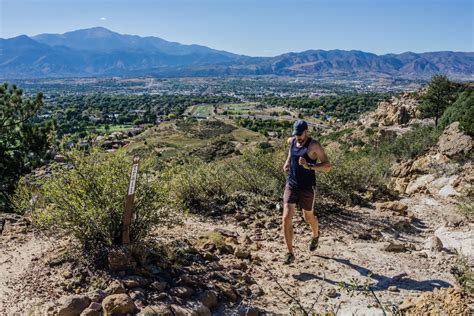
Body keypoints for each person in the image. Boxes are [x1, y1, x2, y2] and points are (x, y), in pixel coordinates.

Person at [282, 119, 331, 264]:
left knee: (308, 217)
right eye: (296, 134)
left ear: (307, 132)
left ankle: (315, 235)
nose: (299, 137)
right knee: (286, 218)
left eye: (301, 134)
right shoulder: (292, 141)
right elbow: (291, 150)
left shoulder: (314, 145)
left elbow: (327, 166)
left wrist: (309, 165)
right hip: (292, 184)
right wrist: (287, 162)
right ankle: (290, 253)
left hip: (307, 187)